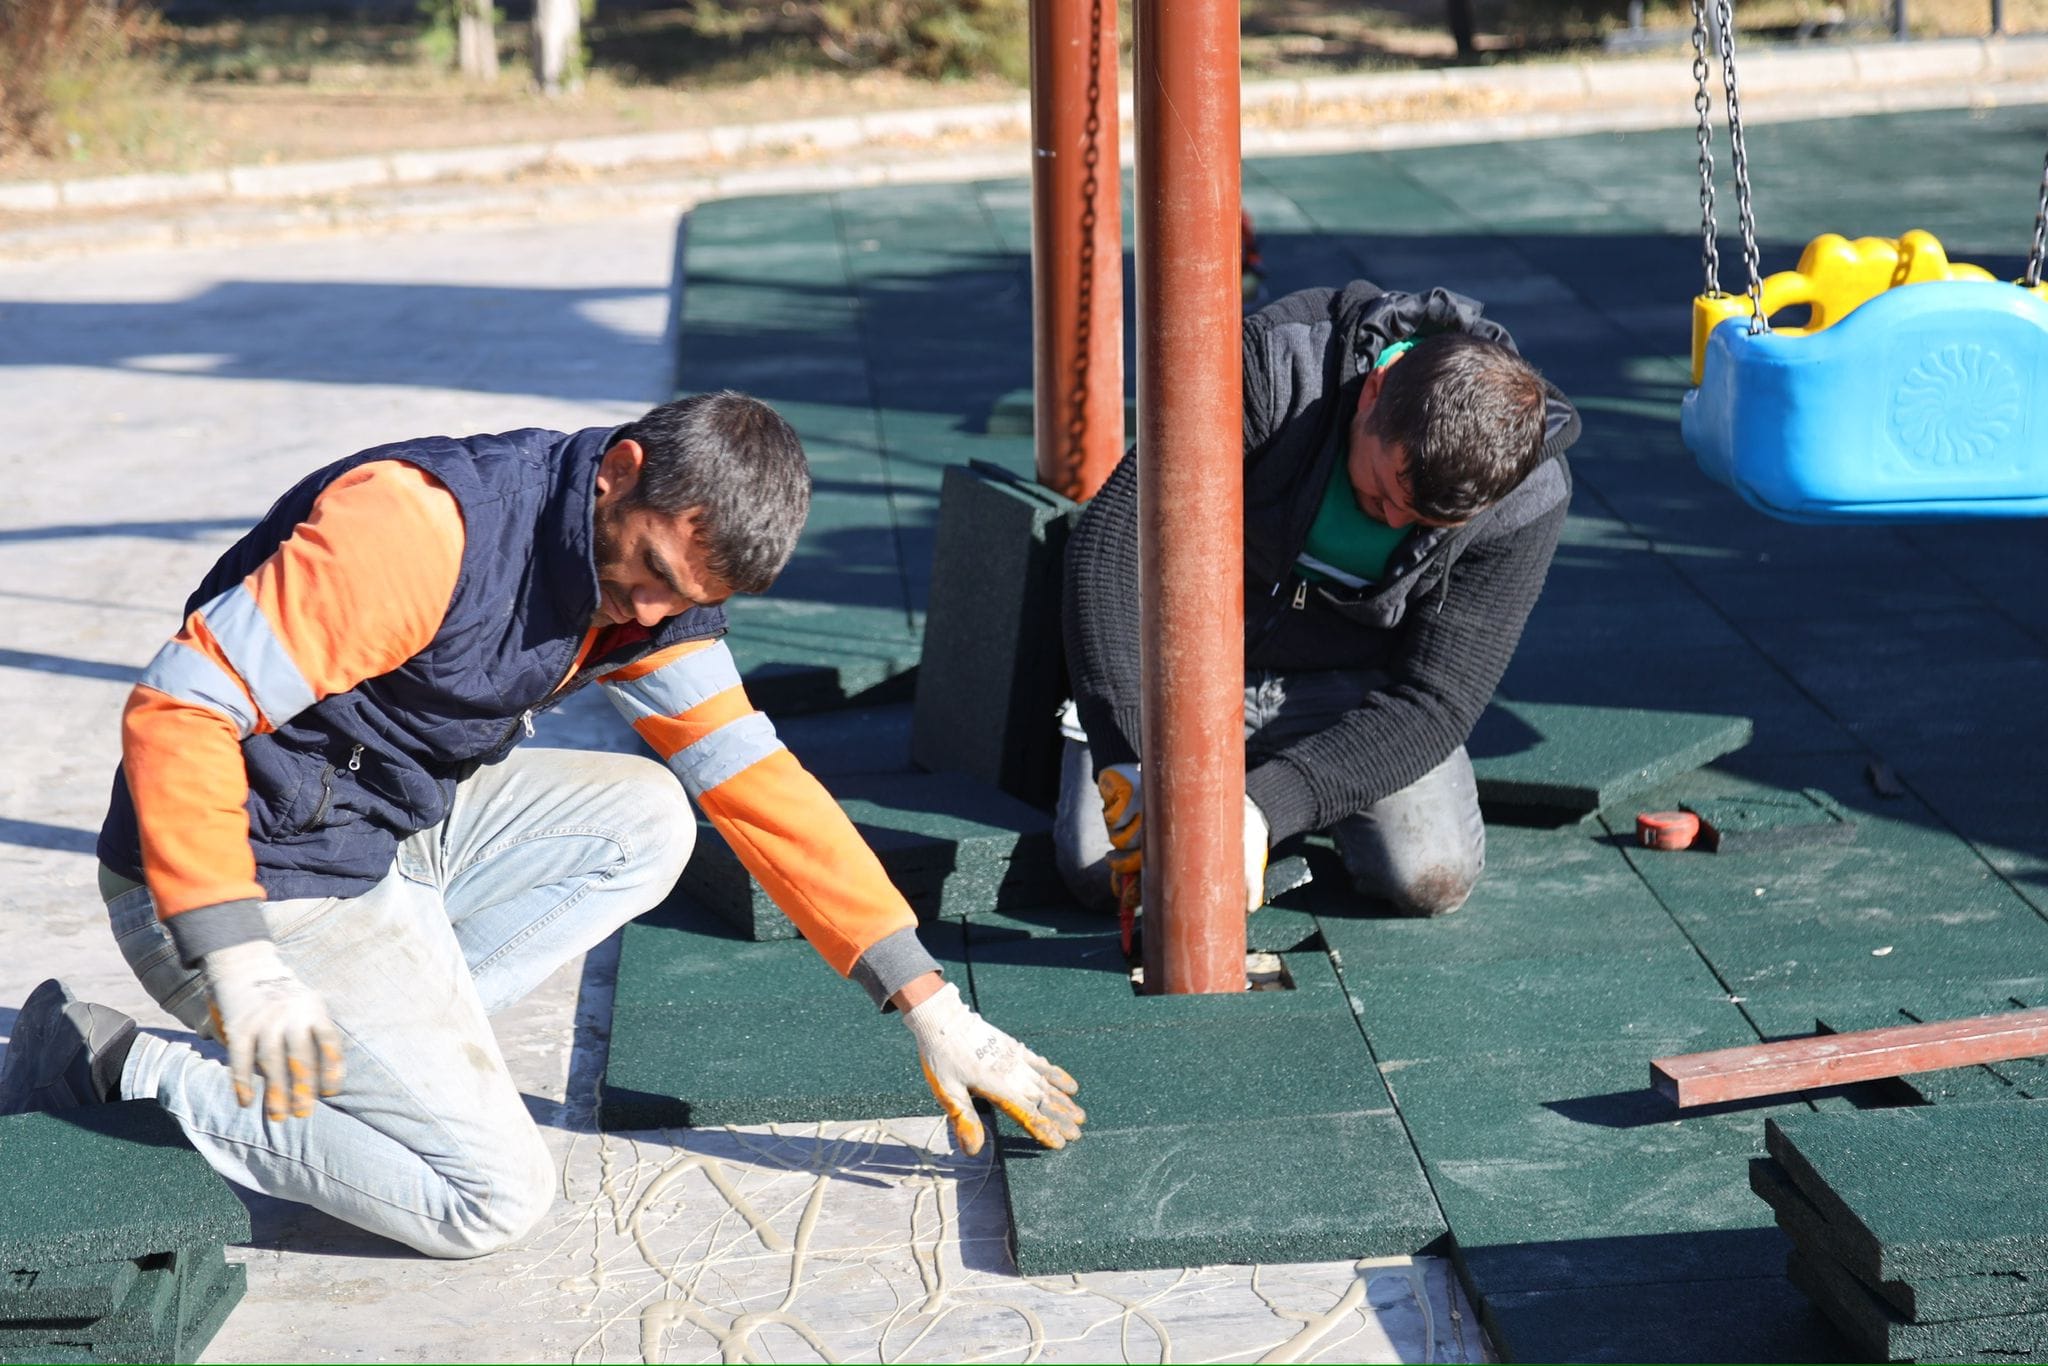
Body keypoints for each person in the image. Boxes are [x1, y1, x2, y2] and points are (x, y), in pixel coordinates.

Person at [0, 392, 1085, 1259]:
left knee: (649, 819)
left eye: (684, 598)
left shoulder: (647, 593)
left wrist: (926, 999)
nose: (650, 615)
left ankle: (371, 1069)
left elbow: (756, 782)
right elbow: (180, 705)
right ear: (616, 471)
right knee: (489, 1199)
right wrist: (239, 959)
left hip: (380, 828)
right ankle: (131, 1067)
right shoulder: (421, 526)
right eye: (652, 571)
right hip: (233, 870)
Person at [1057, 281, 1581, 922]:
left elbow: (1438, 701)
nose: (1392, 523)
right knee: (1096, 865)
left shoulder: (1527, 496)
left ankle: (1271, 792)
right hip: (1191, 665)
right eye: (1384, 490)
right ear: (1373, 393)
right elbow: (1111, 544)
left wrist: (1264, 809)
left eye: (1423, 522)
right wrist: (1125, 749)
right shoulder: (1276, 368)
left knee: (1429, 873)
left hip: (1346, 691)